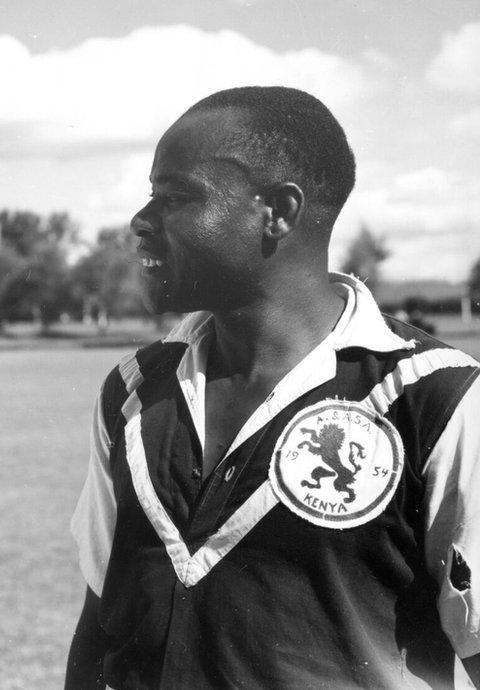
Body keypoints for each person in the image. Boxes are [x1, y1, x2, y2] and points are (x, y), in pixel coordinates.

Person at [65, 86, 480, 688]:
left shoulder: (432, 397)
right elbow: (101, 615)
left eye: (174, 197)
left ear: (278, 212)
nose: (140, 221)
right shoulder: (136, 390)